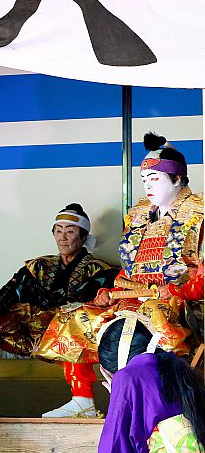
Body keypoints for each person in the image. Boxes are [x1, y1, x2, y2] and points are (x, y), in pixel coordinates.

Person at [38, 133, 204, 419]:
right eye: (144, 179)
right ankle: (82, 399)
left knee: (155, 322)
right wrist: (112, 291)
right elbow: (131, 267)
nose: (148, 185)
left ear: (177, 178)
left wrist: (179, 290)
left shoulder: (198, 213)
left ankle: (166, 402)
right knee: (75, 316)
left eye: (155, 178)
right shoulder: (139, 215)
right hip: (134, 296)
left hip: (180, 301)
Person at [80, 312, 205, 453]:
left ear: (110, 366)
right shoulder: (177, 367)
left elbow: (116, 443)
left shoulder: (127, 377)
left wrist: (119, 396)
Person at [0, 203, 118, 360]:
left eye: (70, 232)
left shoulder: (99, 270)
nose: (62, 238)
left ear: (83, 236)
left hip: (67, 332)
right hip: (33, 330)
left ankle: (43, 354)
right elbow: (12, 289)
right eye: (58, 231)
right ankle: (30, 354)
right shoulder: (39, 266)